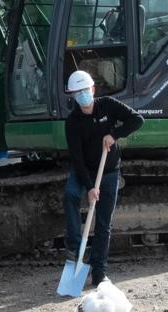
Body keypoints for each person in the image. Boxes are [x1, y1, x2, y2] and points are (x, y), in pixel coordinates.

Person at [62, 70, 144, 288]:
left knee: (103, 224)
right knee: (70, 194)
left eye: (85, 91)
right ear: (73, 96)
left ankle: (99, 273)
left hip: (108, 173)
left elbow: (137, 119)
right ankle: (74, 247)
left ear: (93, 90)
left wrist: (114, 135)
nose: (82, 96)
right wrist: (89, 187)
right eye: (77, 93)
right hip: (84, 172)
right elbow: (77, 159)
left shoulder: (107, 105)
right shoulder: (72, 122)